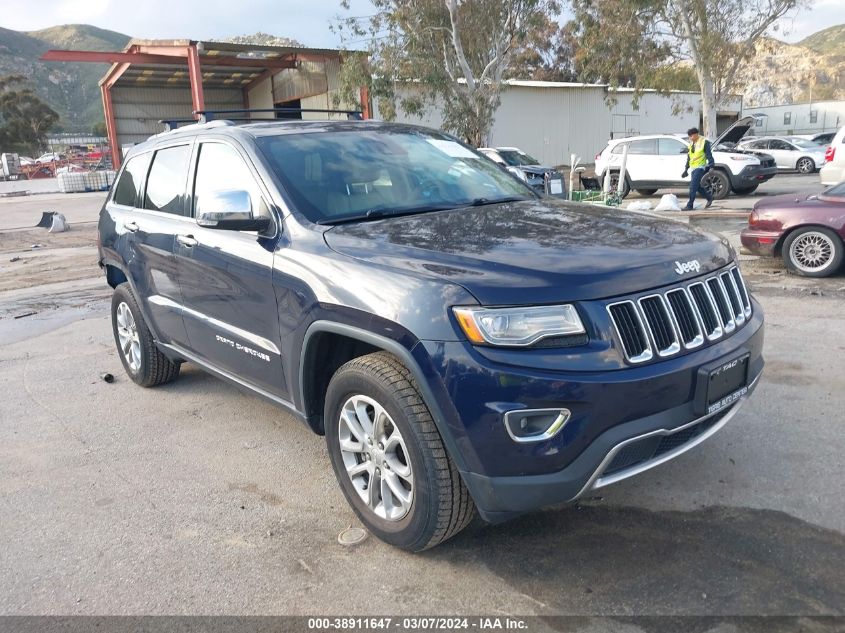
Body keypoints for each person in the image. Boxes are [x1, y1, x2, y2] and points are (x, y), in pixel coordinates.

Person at [681, 127, 714, 210]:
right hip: (693, 168)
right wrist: (686, 169)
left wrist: (711, 166)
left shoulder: (704, 142)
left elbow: (709, 155)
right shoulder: (691, 144)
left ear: (695, 135)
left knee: (692, 186)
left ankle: (690, 205)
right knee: (698, 187)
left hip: (700, 167)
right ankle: (709, 198)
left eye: (691, 136)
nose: (690, 138)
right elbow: (689, 158)